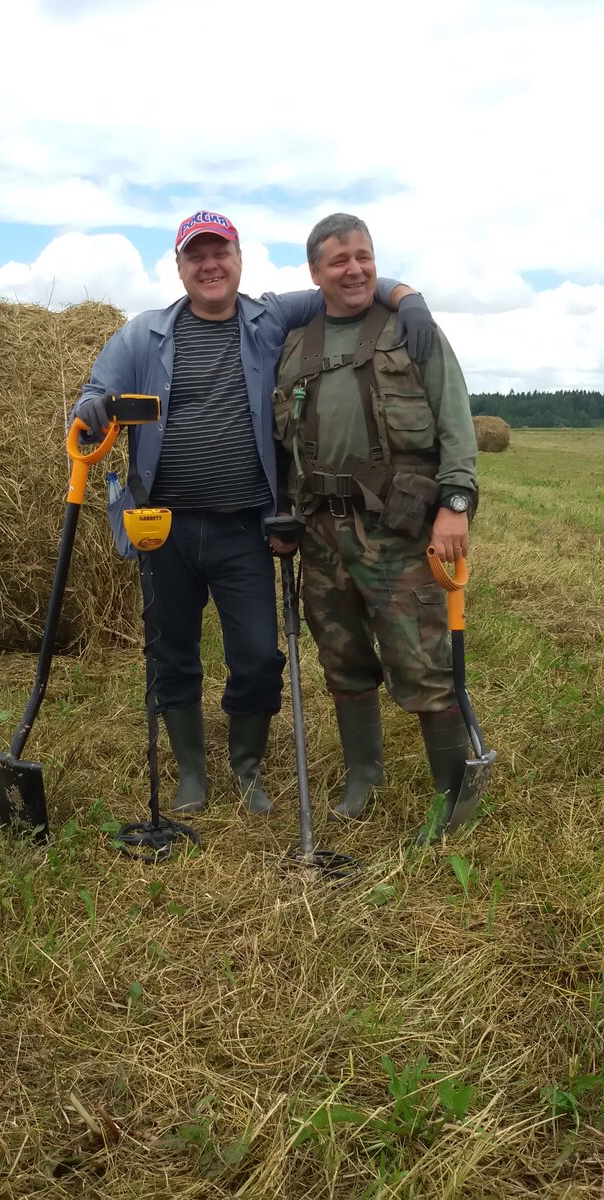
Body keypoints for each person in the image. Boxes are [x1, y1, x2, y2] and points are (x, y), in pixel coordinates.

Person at [72, 210, 437, 819]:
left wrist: (411, 298)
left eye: (221, 253)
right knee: (171, 652)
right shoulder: (144, 334)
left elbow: (345, 281)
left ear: (239, 260)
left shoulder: (270, 317)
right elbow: (92, 392)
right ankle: (193, 772)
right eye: (197, 256)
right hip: (164, 529)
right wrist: (95, 407)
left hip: (246, 527)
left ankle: (245, 768)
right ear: (181, 266)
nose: (210, 265)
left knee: (259, 657)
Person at [270, 212, 478, 842]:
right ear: (315, 273)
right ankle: (364, 776)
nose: (355, 269)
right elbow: (285, 445)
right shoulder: (294, 346)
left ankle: (451, 793)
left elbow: (455, 418)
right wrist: (283, 512)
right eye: (339, 260)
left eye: (363, 256)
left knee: (422, 661)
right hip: (322, 537)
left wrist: (456, 504)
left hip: (399, 529)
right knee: (343, 658)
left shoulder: (411, 330)